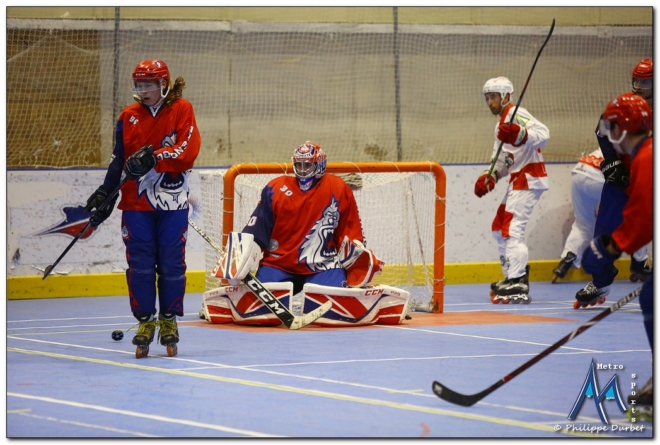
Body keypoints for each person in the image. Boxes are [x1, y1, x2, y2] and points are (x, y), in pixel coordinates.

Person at [83, 59, 201, 358]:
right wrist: (105, 193)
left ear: (164, 84)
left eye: (149, 84)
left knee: (172, 263)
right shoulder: (128, 116)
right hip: (136, 204)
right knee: (140, 266)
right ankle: (146, 322)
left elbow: (187, 150)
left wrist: (154, 157)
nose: (143, 90)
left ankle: (169, 319)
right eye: (139, 84)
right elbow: (118, 159)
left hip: (172, 204)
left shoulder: (181, 109)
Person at [580, 92, 652, 415]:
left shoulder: (647, 158)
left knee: (652, 298)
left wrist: (607, 248)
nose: (608, 132)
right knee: (651, 296)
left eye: (612, 126)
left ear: (624, 128)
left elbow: (641, 219)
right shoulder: (643, 154)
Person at [575, 58, 653, 303]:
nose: (640, 86)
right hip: (622, 179)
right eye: (637, 80)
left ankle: (641, 265)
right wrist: (612, 162)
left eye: (646, 81)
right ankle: (601, 283)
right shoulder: (623, 105)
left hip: (649, 175)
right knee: (604, 229)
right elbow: (602, 132)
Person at [474, 77, 550, 304]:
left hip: (529, 178)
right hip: (517, 179)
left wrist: (521, 134)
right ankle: (510, 276)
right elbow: (503, 161)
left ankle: (518, 280)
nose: (490, 102)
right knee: (498, 228)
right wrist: (490, 177)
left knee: (512, 229)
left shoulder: (517, 113)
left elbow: (544, 134)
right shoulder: (500, 125)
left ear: (507, 96)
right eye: (487, 98)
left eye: (494, 97)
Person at [551, 149, 604, 282]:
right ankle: (640, 261)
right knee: (634, 216)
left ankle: (568, 258)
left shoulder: (615, 136)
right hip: (598, 177)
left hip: (580, 171)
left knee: (583, 224)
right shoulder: (641, 146)